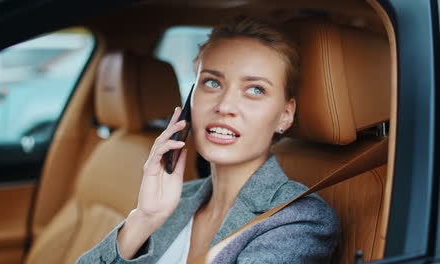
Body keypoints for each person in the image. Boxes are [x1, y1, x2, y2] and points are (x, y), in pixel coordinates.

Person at [77, 16, 339, 264]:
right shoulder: (176, 201)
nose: (225, 106)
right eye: (212, 83)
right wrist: (144, 219)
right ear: (191, 100)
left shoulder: (298, 220)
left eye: (255, 89)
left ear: (285, 115)